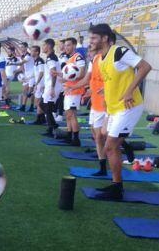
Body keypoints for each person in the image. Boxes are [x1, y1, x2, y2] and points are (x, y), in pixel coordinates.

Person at [89, 23, 152, 200]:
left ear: (105, 38)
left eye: (93, 38)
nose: (90, 41)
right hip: (114, 109)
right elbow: (112, 81)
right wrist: (107, 96)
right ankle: (116, 185)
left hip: (128, 107)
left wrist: (130, 90)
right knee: (107, 141)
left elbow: (145, 66)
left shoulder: (119, 52)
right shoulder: (101, 59)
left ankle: (117, 189)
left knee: (110, 146)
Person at [74, 45, 108, 176]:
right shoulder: (93, 61)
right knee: (94, 132)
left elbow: (110, 81)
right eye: (88, 51)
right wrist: (87, 90)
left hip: (104, 104)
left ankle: (103, 166)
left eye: (90, 50)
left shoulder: (104, 61)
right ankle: (107, 154)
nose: (88, 53)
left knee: (100, 136)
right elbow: (89, 79)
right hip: (95, 103)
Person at [61, 37, 87, 146]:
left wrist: (67, 78)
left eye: (68, 45)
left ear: (74, 46)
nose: (66, 47)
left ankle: (76, 139)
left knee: (72, 115)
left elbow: (81, 74)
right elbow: (70, 75)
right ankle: (69, 136)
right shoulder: (70, 58)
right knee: (68, 114)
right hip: (69, 90)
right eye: (65, 45)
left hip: (75, 90)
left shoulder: (78, 57)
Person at [40, 39, 60, 136]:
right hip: (50, 85)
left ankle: (51, 128)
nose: (42, 47)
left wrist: (52, 88)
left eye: (44, 45)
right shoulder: (50, 57)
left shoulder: (51, 58)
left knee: (47, 107)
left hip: (53, 86)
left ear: (48, 46)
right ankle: (53, 125)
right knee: (43, 104)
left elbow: (54, 73)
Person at [31, 46, 46, 124]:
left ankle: (39, 119)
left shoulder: (40, 61)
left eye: (32, 51)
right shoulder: (36, 61)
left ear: (37, 52)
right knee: (38, 101)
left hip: (41, 84)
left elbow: (41, 72)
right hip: (39, 83)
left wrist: (37, 84)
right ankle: (42, 118)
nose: (31, 52)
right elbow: (36, 73)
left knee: (38, 101)